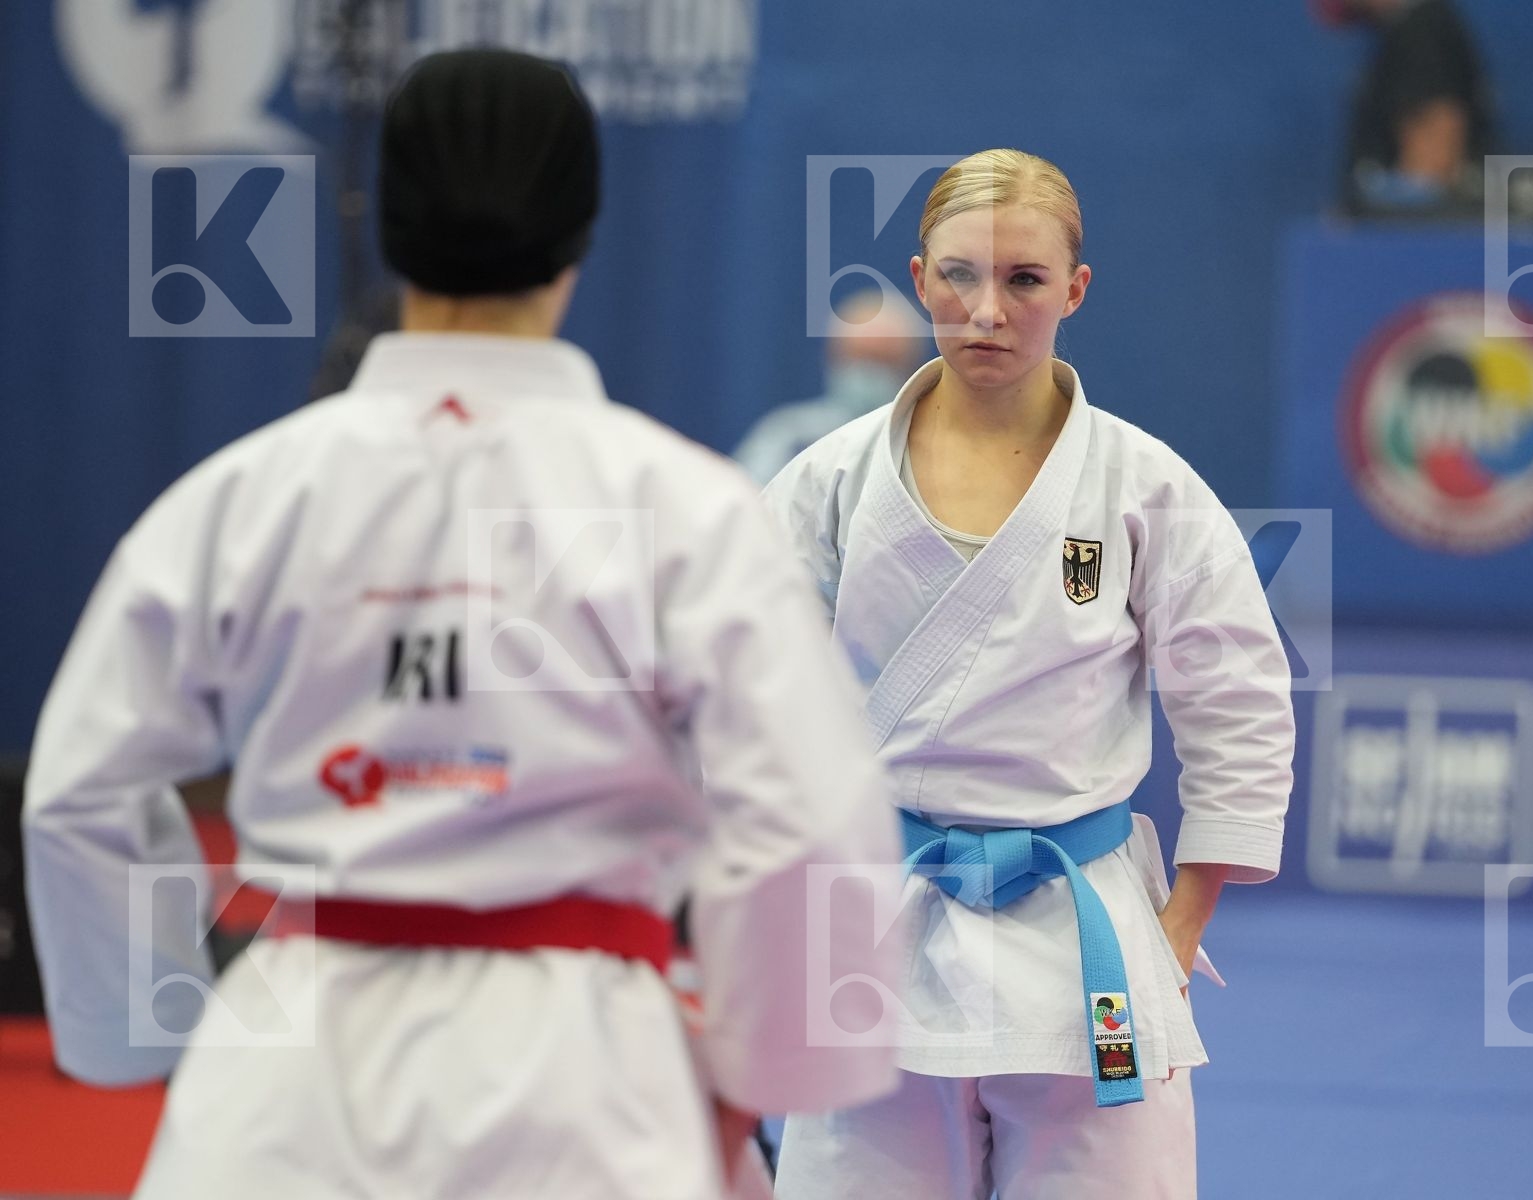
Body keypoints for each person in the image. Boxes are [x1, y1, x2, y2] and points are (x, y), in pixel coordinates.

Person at [22, 48, 898, 1200]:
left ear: (391, 228)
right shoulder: (679, 504)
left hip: (286, 1071)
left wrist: (140, 1029)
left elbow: (79, 791)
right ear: (580, 236)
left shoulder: (243, 496)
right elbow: (811, 825)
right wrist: (763, 1070)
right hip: (585, 1078)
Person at [762, 149, 1295, 1198]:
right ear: (919, 280)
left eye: (1023, 281)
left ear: (1074, 292)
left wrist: (1184, 917)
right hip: (881, 929)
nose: (986, 312)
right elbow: (747, 703)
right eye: (958, 277)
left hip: (1082, 932)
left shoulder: (1146, 487)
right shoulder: (828, 483)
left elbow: (1238, 702)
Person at [1316, 0, 1497, 219]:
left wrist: (1374, 227)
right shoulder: (1407, 27)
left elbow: (1433, 166)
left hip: (1423, 240)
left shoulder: (1421, 30)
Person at [733, 289, 926, 485]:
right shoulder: (791, 438)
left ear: (912, 366)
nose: (867, 373)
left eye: (884, 361)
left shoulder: (924, 443)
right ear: (832, 357)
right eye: (858, 357)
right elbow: (746, 499)